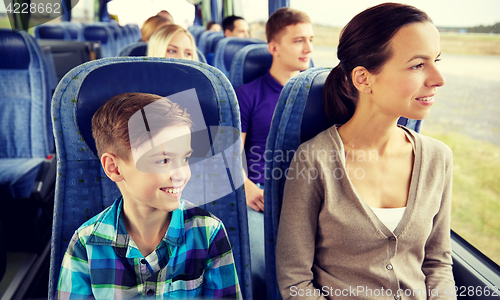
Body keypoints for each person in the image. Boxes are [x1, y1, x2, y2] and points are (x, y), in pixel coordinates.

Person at [276, 3, 455, 300]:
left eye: (436, 60)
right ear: (363, 79)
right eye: (418, 65)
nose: (439, 79)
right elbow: (295, 282)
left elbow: (438, 263)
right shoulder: (314, 160)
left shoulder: (439, 158)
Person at [57, 93, 241, 299]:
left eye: (185, 158)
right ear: (114, 168)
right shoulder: (86, 244)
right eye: (163, 160)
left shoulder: (208, 232)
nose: (180, 174)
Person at [234, 7, 313, 300]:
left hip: (310, 193)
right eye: (298, 41)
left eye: (311, 40)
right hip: (261, 195)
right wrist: (246, 186)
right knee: (263, 267)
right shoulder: (245, 95)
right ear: (274, 48)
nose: (309, 49)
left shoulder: (321, 94)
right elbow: (228, 155)